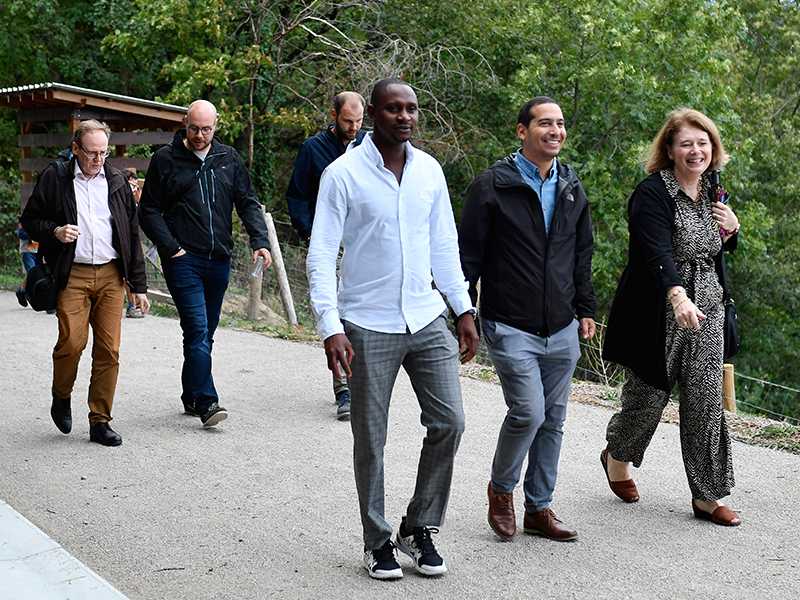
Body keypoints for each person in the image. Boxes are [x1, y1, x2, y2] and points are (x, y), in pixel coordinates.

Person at [306, 78, 479, 580]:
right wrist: (329, 325)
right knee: (371, 436)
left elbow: (445, 246)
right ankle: (377, 539)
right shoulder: (342, 175)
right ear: (374, 114)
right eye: (393, 109)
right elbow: (320, 255)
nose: (405, 117)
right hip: (365, 322)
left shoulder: (429, 171)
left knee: (450, 422)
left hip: (426, 318)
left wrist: (462, 310)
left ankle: (417, 526)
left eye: (412, 109)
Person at [459, 97, 596, 542]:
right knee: (528, 412)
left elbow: (582, 255)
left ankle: (539, 508)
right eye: (544, 123)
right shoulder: (491, 186)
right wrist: (464, 313)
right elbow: (469, 256)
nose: (554, 131)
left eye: (559, 124)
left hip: (562, 327)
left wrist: (586, 310)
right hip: (509, 323)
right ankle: (501, 492)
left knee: (553, 419)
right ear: (522, 131)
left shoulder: (572, 186)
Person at [601, 108, 741, 526]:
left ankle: (708, 494)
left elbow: (712, 250)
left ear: (712, 149)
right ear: (670, 149)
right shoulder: (652, 193)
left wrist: (732, 231)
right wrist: (678, 296)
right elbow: (657, 251)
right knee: (647, 400)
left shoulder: (713, 190)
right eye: (686, 144)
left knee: (704, 399)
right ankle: (617, 454)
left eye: (703, 143)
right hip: (659, 312)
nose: (696, 150)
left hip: (709, 309)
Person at [139, 100, 272, 428]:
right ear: (185, 123)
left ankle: (190, 394)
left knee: (204, 333)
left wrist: (261, 242)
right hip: (183, 260)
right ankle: (208, 402)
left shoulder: (228, 159)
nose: (199, 135)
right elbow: (148, 210)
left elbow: (247, 202)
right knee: (198, 329)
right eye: (194, 128)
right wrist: (171, 249)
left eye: (206, 129)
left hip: (219, 260)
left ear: (216, 127)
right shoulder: (165, 160)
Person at [21, 119, 150, 446]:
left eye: (103, 152)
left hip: (110, 275)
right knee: (73, 343)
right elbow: (30, 221)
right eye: (91, 152)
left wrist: (138, 285)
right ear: (76, 149)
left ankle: (100, 420)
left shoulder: (118, 181)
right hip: (72, 273)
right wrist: (56, 232)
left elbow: (131, 235)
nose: (98, 159)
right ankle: (61, 395)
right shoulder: (56, 176)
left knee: (109, 350)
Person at [286, 91, 366, 420]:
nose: (353, 127)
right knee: (334, 313)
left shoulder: (369, 146)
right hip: (329, 242)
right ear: (333, 115)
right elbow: (298, 195)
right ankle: (343, 388)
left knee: (361, 313)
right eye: (348, 121)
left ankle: (364, 384)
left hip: (363, 243)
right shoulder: (313, 149)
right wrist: (311, 234)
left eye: (359, 121)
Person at [122, 168, 145, 318]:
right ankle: (131, 305)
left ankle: (134, 304)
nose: (134, 187)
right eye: (132, 184)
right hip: (124, 241)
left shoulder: (135, 199)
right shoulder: (120, 196)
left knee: (134, 272)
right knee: (125, 276)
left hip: (135, 239)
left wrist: (137, 195)